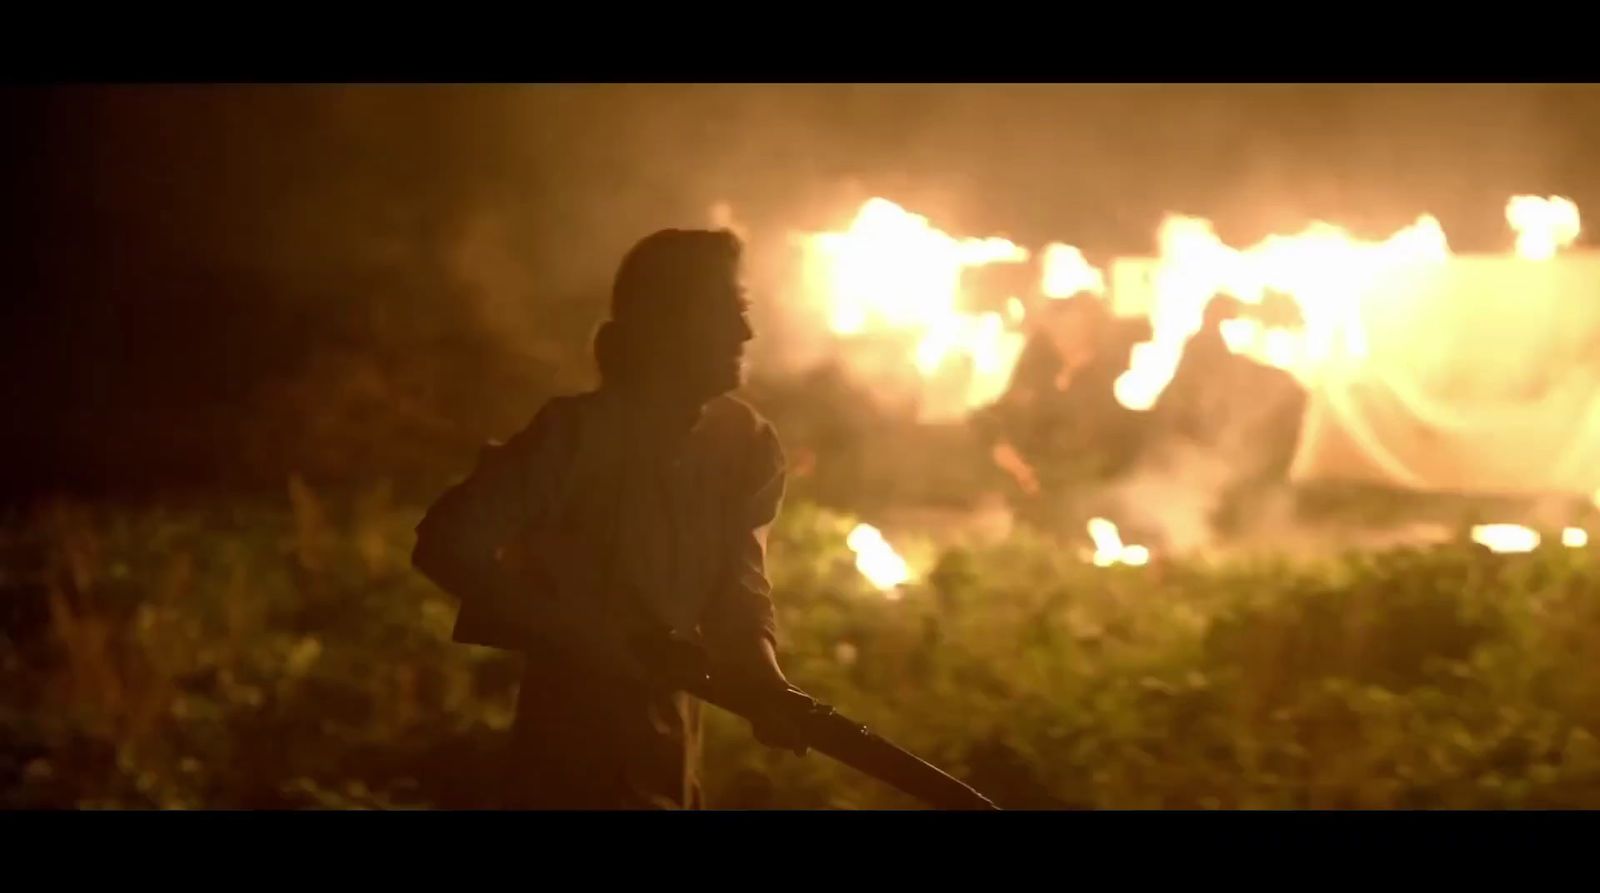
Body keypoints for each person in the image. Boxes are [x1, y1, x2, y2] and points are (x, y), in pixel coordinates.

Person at [412, 228, 812, 809]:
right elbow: (448, 544)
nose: (744, 332)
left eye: (742, 312)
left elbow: (738, 591)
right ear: (666, 322)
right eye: (725, 312)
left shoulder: (744, 444)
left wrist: (765, 682)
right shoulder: (577, 436)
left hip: (669, 754)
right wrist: (589, 640)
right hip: (568, 762)